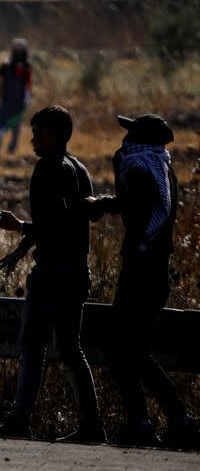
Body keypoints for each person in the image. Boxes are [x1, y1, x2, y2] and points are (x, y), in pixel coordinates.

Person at [0, 105, 105, 443]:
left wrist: (19, 229)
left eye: (37, 133)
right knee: (70, 348)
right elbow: (66, 224)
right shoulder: (79, 169)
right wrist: (19, 249)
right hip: (77, 270)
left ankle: (20, 420)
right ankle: (92, 426)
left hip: (51, 272)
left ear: (52, 134)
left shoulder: (46, 168)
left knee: (32, 344)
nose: (32, 139)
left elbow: (50, 227)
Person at [88, 114, 199, 448]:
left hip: (142, 269)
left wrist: (101, 203)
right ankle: (165, 420)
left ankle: (160, 420)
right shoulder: (160, 166)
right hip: (152, 268)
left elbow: (135, 205)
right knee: (130, 349)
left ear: (142, 139)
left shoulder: (139, 167)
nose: (124, 140)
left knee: (124, 349)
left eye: (131, 134)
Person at [0, 38, 32, 156]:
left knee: (15, 126)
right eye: (16, 50)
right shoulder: (6, 65)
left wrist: (27, 101)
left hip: (19, 102)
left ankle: (12, 150)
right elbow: (0, 84)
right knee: (1, 125)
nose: (18, 54)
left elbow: (28, 86)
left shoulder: (27, 67)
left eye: (20, 51)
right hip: (6, 101)